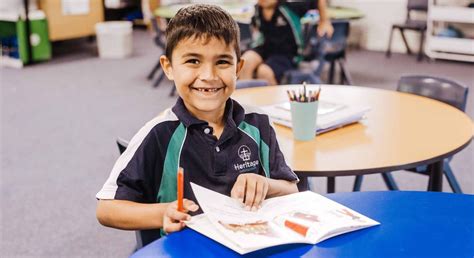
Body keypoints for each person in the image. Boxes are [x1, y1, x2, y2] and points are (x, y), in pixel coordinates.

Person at [96, 4, 299, 241]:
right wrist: (162, 212)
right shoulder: (158, 133)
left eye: (222, 62)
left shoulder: (259, 124)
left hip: (251, 245)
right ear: (168, 67)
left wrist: (266, 184)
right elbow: (107, 209)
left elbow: (292, 190)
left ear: (238, 68)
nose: (209, 76)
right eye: (193, 61)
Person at [239, 0, 334, 85]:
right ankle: (246, 101)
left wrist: (324, 21)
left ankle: (270, 101)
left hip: (287, 53)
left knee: (264, 71)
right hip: (265, 48)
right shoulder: (257, 9)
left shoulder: (290, 7)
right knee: (245, 62)